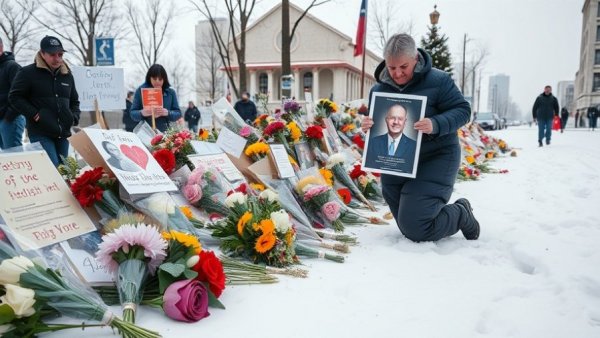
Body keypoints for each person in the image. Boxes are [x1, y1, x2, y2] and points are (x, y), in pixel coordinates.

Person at [361, 33, 479, 242]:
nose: (397, 73)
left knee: (417, 228)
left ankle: (461, 213)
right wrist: (368, 126)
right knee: (410, 225)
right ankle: (436, 217)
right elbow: (379, 124)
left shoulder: (439, 80)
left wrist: (436, 124)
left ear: (415, 58)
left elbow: (463, 110)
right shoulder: (378, 90)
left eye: (403, 67)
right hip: (397, 162)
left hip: (436, 158)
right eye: (391, 67)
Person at [9, 36, 80, 166]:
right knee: (53, 168)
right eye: (52, 54)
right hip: (40, 132)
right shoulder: (27, 73)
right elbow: (15, 97)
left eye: (60, 54)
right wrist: (35, 114)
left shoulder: (67, 75)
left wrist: (73, 117)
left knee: (66, 171)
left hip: (63, 133)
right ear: (42, 53)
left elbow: (74, 101)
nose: (57, 58)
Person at [365, 103, 416, 173]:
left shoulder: (414, 146)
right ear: (386, 120)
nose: (396, 122)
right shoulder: (372, 143)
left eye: (400, 119)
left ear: (405, 122)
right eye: (392, 118)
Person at [130, 64, 181, 133]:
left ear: (164, 79)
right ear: (149, 78)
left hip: (165, 133)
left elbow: (178, 113)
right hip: (146, 132)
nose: (157, 81)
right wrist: (142, 113)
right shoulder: (141, 91)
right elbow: (132, 114)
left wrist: (168, 113)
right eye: (154, 79)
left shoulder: (170, 92)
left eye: (160, 79)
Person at [0, 37, 24, 149]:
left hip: (10, 120)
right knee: (4, 161)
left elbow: (21, 94)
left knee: (14, 159)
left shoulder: (12, 66)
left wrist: (8, 117)